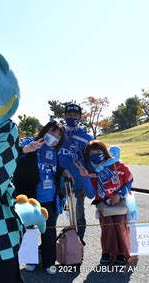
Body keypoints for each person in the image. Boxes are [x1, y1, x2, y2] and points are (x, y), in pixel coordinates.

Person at [13, 120, 66, 274]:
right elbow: (13, 153)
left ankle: (49, 262)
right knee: (29, 229)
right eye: (52, 132)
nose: (54, 137)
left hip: (49, 198)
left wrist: (64, 172)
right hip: (30, 197)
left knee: (49, 230)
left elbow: (56, 169)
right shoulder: (31, 142)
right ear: (44, 131)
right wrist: (27, 149)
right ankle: (30, 260)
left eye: (57, 135)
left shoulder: (56, 151)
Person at [79, 140, 134, 266]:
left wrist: (119, 194)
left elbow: (129, 180)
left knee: (120, 225)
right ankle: (107, 253)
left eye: (98, 151)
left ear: (104, 151)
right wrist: (85, 177)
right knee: (107, 227)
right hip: (103, 204)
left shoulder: (118, 165)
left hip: (119, 202)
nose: (95, 155)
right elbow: (90, 194)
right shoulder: (91, 170)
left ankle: (122, 253)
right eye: (92, 153)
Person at [58, 104, 93, 242]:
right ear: (64, 116)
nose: (72, 117)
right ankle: (55, 246)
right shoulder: (58, 134)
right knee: (53, 214)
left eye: (75, 115)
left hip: (78, 183)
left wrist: (87, 184)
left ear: (80, 117)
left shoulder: (86, 138)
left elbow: (91, 163)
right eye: (69, 114)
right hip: (58, 182)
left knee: (78, 215)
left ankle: (78, 245)